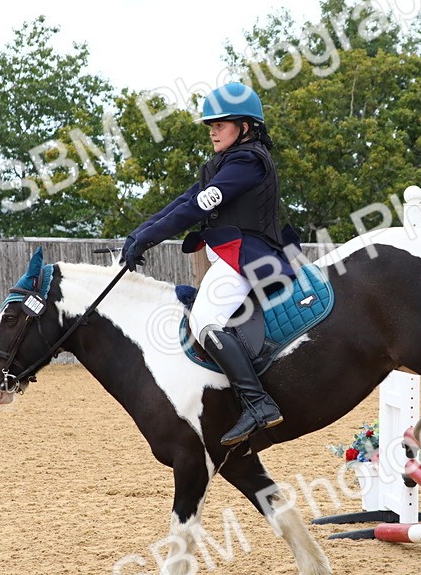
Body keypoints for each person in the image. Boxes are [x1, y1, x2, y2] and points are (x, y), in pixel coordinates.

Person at [120, 82, 295, 446]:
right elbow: (184, 200)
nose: (213, 131)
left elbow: (198, 207)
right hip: (230, 259)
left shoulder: (247, 161)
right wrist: (141, 233)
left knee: (204, 320)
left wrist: (151, 238)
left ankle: (258, 402)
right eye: (211, 125)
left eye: (222, 124)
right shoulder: (224, 162)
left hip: (248, 259)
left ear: (245, 128)